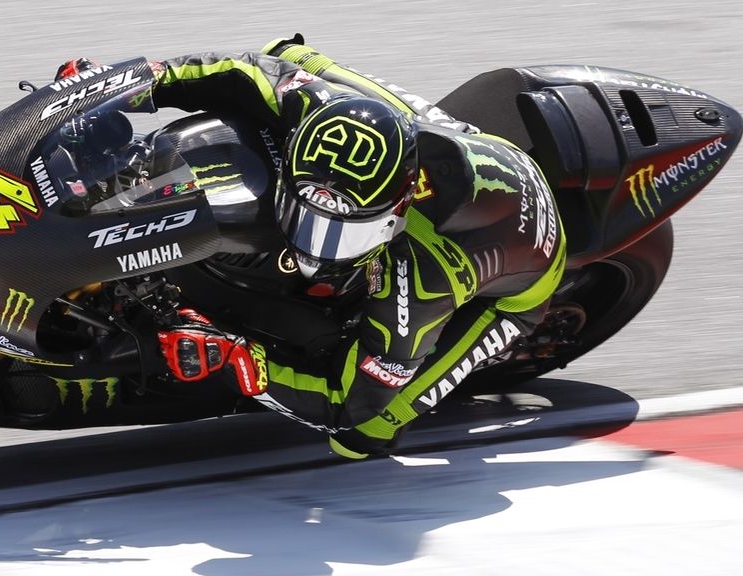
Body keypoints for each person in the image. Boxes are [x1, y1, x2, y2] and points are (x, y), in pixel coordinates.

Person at [68, 35, 567, 459]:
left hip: (522, 264)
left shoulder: (422, 279)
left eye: (340, 233)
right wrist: (123, 86)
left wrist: (247, 362)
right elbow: (235, 70)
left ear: (390, 218)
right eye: (305, 216)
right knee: (285, 55)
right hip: (446, 146)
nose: (314, 248)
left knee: (364, 434)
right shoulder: (309, 106)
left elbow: (350, 401)